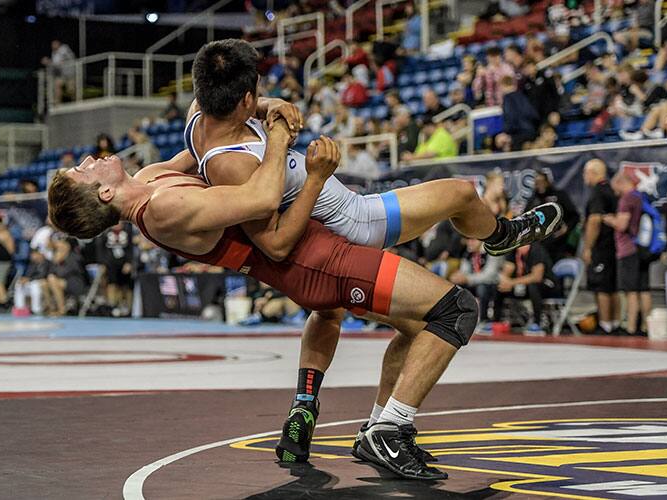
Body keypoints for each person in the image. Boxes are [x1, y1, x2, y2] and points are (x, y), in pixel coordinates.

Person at [182, 39, 562, 466]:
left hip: (326, 234)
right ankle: (500, 235)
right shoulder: (232, 165)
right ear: (243, 99)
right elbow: (273, 241)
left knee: (348, 313)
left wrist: (268, 103)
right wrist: (312, 173)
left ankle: (325, 410)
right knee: (459, 196)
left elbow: (234, 101)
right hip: (355, 223)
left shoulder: (201, 116)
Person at [49, 122, 471, 480]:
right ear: (104, 194)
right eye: (81, 170)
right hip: (311, 261)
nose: (88, 160)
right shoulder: (164, 207)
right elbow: (271, 222)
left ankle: (332, 413)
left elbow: (205, 148)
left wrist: (250, 108)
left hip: (307, 265)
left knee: (396, 325)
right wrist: (291, 148)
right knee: (455, 309)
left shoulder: (152, 180)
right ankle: (388, 431)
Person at [603, 172, 651, 335]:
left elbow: (622, 224)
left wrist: (609, 219)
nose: (614, 192)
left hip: (628, 249)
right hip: (643, 249)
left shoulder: (626, 199)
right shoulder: (640, 196)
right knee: (643, 289)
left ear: (620, 183)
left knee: (631, 291)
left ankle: (631, 327)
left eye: (615, 188)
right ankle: (646, 326)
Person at [582, 159, 620, 335]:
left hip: (601, 246)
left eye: (586, 173)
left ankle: (605, 324)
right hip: (613, 246)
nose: (584, 177)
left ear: (593, 172)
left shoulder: (598, 192)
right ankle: (613, 322)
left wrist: (588, 247)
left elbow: (594, 220)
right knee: (611, 286)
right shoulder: (611, 190)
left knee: (602, 287)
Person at [497, 242, 562, 335]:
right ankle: (496, 321)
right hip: (524, 284)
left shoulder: (536, 249)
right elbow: (507, 270)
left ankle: (537, 322)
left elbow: (536, 277)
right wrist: (504, 281)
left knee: (534, 286)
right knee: (499, 287)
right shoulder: (513, 250)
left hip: (547, 284)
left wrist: (511, 282)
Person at [524, 170, 580, 262]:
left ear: (547, 182)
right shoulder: (533, 199)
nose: (540, 185)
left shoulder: (559, 195)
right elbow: (525, 218)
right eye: (537, 182)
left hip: (559, 242)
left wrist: (567, 228)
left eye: (542, 182)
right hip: (540, 243)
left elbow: (574, 216)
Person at [41, 39, 76, 104]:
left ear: (58, 44)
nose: (53, 46)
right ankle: (57, 104)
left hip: (70, 74)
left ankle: (75, 102)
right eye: (52, 45)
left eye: (54, 44)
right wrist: (49, 63)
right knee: (57, 85)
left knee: (71, 90)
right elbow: (55, 65)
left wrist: (49, 62)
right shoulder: (54, 53)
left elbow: (60, 61)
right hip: (62, 75)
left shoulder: (64, 48)